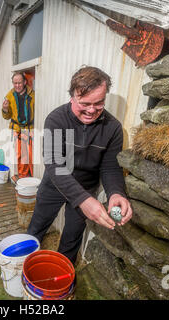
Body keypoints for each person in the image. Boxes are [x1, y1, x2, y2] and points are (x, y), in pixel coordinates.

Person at [27, 66, 133, 264]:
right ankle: (23, 267)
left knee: (71, 239)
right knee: (35, 229)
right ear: (72, 97)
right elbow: (54, 163)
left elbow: (110, 167)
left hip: (87, 186)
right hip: (54, 185)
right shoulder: (56, 119)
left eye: (99, 103)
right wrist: (83, 200)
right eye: (84, 103)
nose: (92, 110)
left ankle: (59, 279)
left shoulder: (113, 127)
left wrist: (116, 192)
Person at [2, 72, 35, 179]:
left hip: (29, 129)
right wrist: (5, 109)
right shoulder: (9, 96)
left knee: (31, 155)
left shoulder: (33, 95)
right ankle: (23, 176)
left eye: (19, 83)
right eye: (15, 83)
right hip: (16, 129)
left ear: (25, 82)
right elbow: (7, 116)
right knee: (21, 155)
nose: (17, 86)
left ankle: (34, 177)